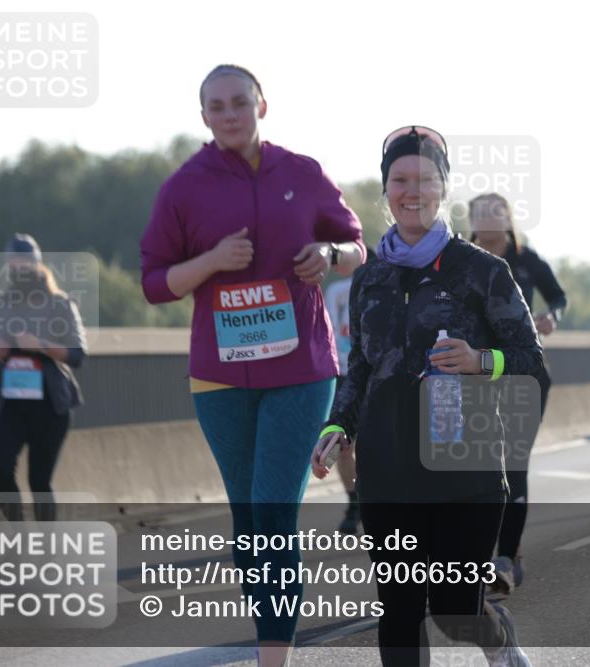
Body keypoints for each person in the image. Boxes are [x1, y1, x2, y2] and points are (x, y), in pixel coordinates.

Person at [139, 64, 364, 666]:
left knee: (272, 510)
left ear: (263, 105)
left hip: (301, 369)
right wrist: (211, 261)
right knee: (249, 518)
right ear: (205, 117)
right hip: (220, 378)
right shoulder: (184, 188)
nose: (230, 114)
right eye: (217, 107)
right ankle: (271, 618)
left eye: (240, 101)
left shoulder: (303, 172)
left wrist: (329, 251)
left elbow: (355, 245)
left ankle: (274, 656)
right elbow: (155, 284)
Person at [311, 126, 541, 666]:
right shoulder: (369, 279)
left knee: (454, 610)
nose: (411, 190)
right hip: (389, 471)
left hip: (467, 469)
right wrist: (334, 427)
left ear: (444, 187)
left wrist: (482, 361)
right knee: (400, 610)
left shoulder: (482, 272)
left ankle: (498, 639)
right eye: (400, 179)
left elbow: (529, 359)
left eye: (425, 179)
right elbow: (361, 366)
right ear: (385, 189)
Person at [469, 192, 566, 595]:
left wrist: (552, 316)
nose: (488, 219)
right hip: (474, 374)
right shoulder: (460, 258)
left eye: (496, 212)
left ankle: (506, 557)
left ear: (507, 219)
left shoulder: (526, 259)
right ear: (471, 220)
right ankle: (472, 558)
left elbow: (559, 296)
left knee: (514, 462)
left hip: (525, 373)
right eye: (480, 213)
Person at [0, 234, 87, 522]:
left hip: (50, 405)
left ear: (37, 266)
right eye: (12, 265)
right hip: (8, 403)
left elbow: (78, 355)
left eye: (24, 265)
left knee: (39, 483)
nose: (18, 271)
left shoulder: (61, 303)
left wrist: (41, 345)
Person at [323, 247, 375, 535]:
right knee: (342, 444)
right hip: (343, 372)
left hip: (374, 373)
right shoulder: (336, 291)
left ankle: (374, 501)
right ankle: (353, 502)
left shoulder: (382, 285)